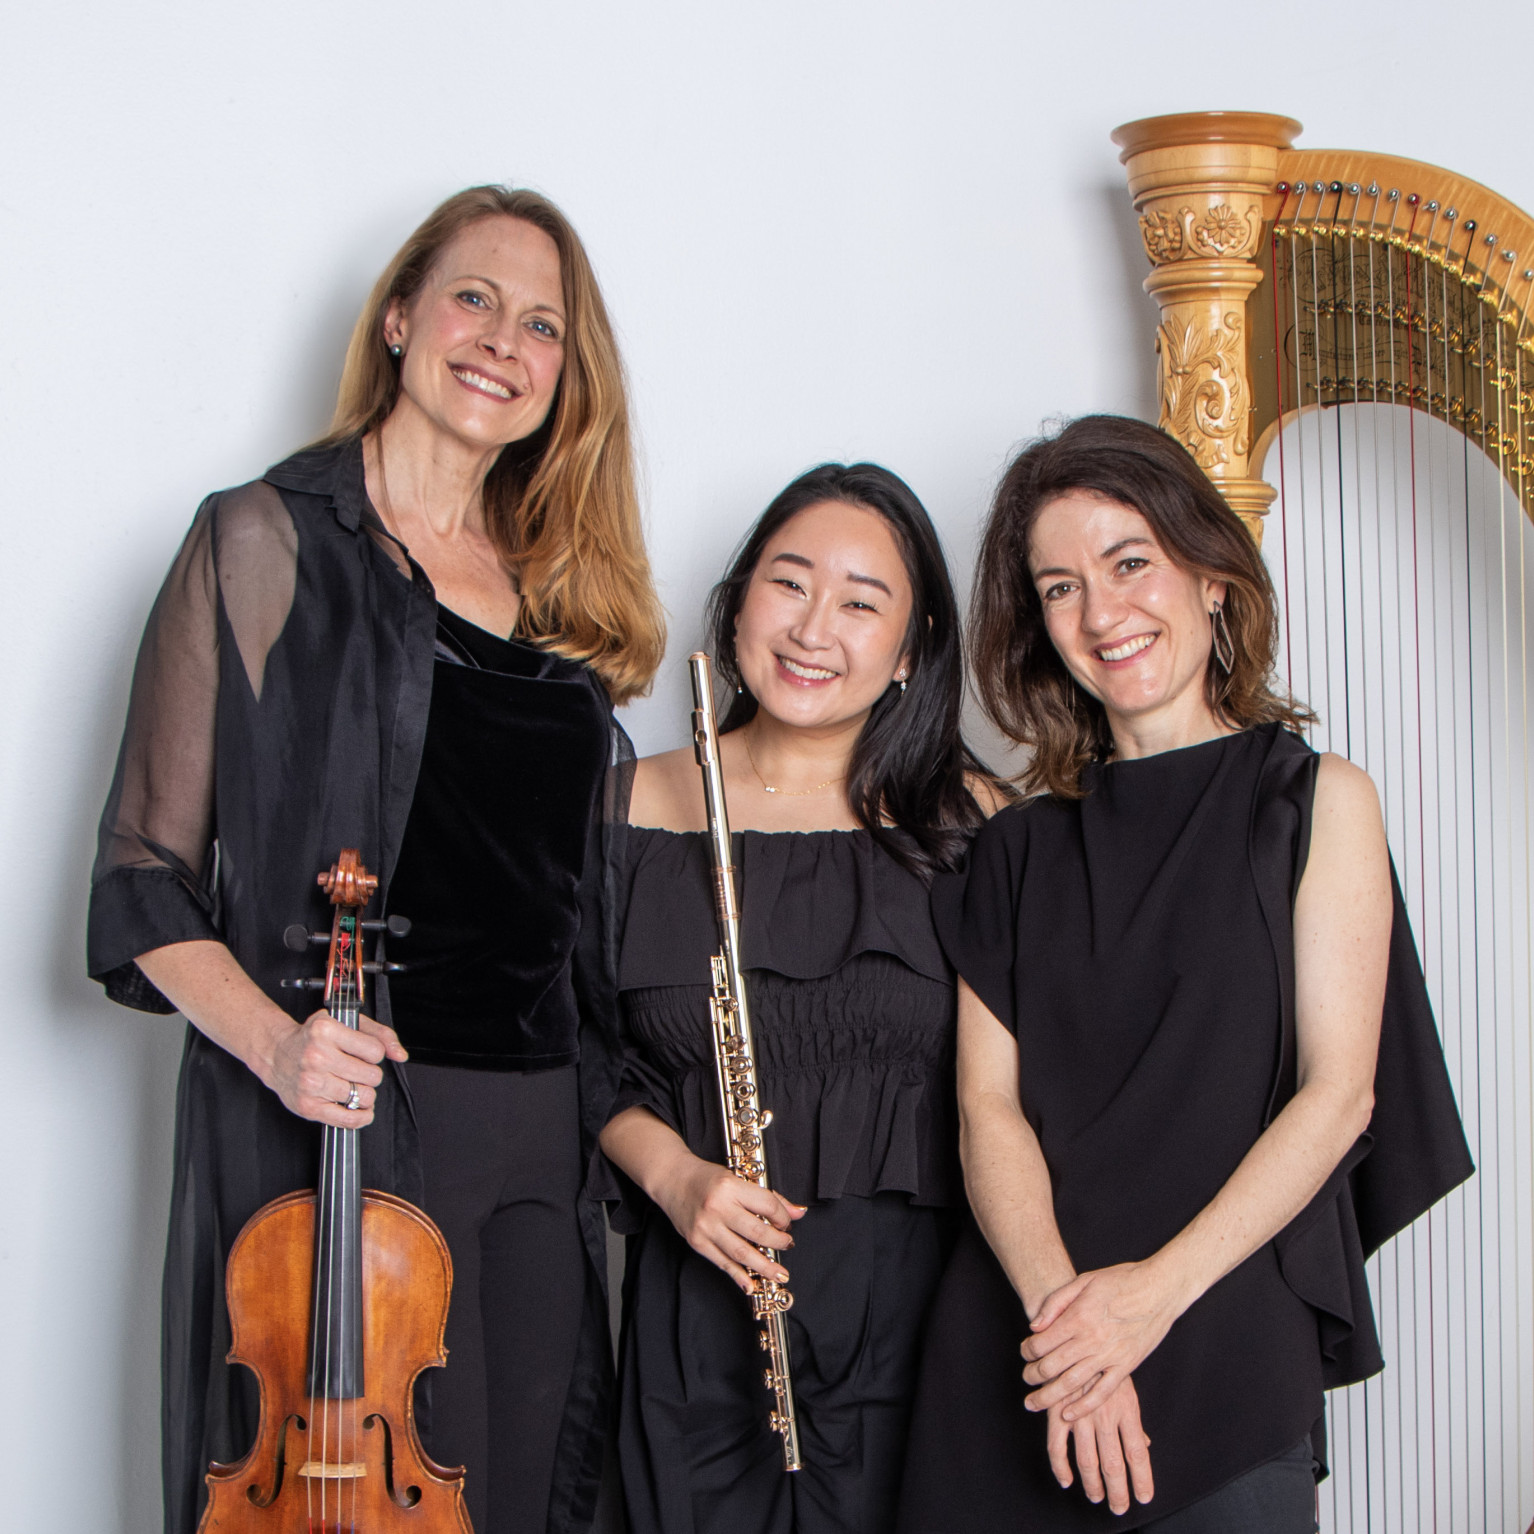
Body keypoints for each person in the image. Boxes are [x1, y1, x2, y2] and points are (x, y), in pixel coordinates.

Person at [86, 185, 665, 1534]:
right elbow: (141, 872)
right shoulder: (263, 538)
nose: (501, 342)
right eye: (474, 298)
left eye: (541, 326)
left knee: (522, 1497)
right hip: (348, 1119)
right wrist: (281, 1044)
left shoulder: (564, 586)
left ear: (563, 378)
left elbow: (577, 881)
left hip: (537, 1131)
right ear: (400, 315)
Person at [896, 415, 1473, 1533]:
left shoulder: (1316, 802)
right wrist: (1071, 1333)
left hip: (1220, 1329)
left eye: (1128, 563)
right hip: (1021, 1346)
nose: (1101, 614)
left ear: (1208, 574)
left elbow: (1339, 1094)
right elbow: (986, 1111)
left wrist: (1145, 1303)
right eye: (1059, 587)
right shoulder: (1011, 848)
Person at [594, 464, 1004, 1533]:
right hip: (693, 1341)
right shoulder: (630, 806)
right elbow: (570, 1052)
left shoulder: (981, 829)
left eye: (862, 601)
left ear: (912, 648)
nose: (814, 627)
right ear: (735, 604)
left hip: (926, 1342)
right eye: (789, 583)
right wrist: (677, 1176)